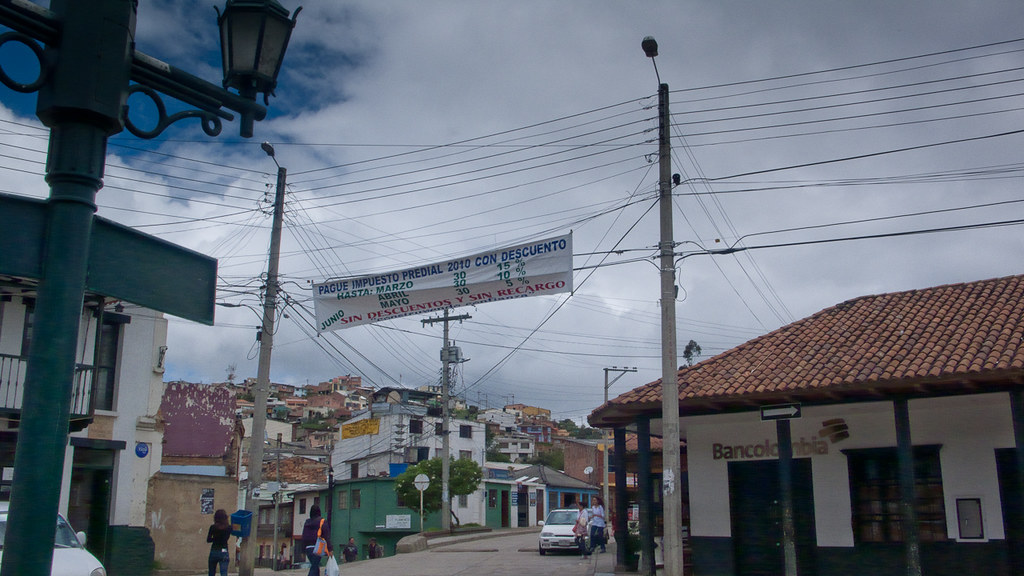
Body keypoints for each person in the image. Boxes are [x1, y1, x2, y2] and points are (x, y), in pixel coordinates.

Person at [301, 504, 333, 576]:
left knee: (315, 566)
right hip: (318, 547)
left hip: (308, 549)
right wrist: (330, 549)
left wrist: (302, 550)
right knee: (314, 567)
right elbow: (326, 536)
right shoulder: (322, 521)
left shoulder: (307, 522)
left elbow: (304, 537)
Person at [206, 509, 231, 576]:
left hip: (214, 550)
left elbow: (208, 540)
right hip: (224, 550)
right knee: (224, 573)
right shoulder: (228, 528)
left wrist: (215, 538)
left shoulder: (213, 527)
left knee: (211, 572)